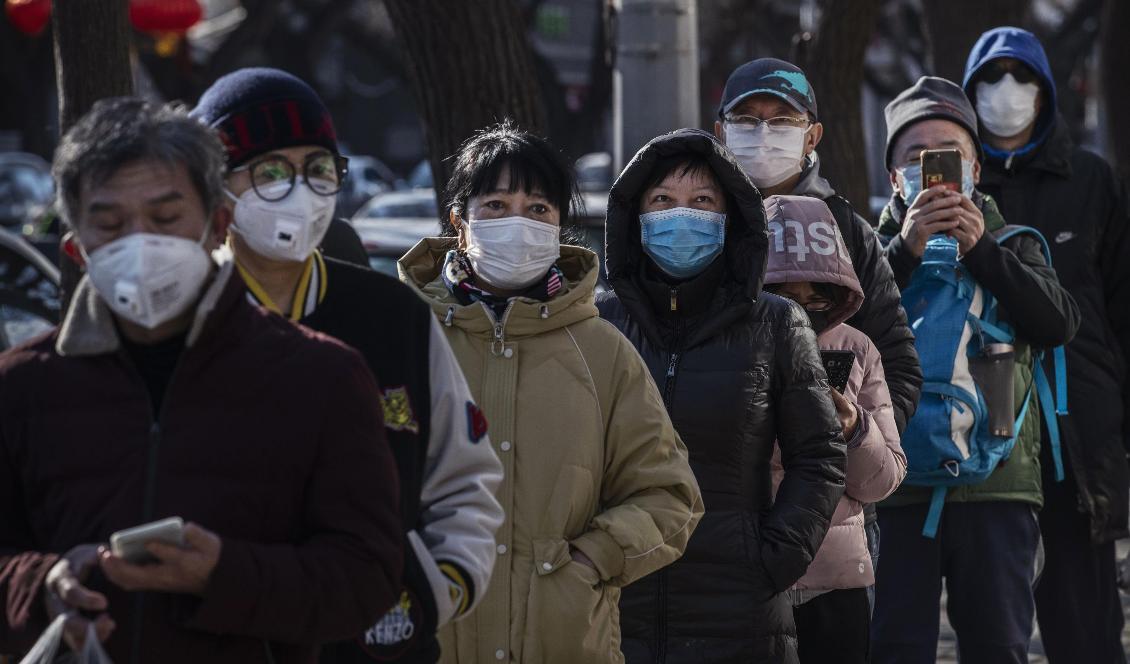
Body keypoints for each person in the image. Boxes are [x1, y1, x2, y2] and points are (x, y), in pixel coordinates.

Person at [0, 98, 403, 663]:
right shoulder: (22, 387)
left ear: (217, 224)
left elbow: (368, 578)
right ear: (76, 247)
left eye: (165, 219)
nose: (140, 244)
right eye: (111, 224)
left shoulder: (320, 378)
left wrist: (224, 574)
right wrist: (41, 586)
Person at [193, 68, 506, 663]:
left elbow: (465, 478)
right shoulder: (185, 322)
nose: (301, 189)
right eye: (271, 171)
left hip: (379, 642)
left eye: (318, 168)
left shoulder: (392, 317)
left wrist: (441, 585)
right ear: (217, 186)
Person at [398, 122, 703, 664]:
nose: (518, 223)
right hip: (426, 636)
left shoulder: (601, 351)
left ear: (561, 225)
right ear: (458, 223)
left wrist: (589, 562)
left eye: (538, 209)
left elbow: (669, 496)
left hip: (563, 642)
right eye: (495, 205)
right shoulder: (402, 338)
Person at [599, 128, 847, 663]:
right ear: (635, 217)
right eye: (662, 201)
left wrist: (772, 558)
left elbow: (820, 455)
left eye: (702, 201)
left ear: (730, 216)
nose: (680, 215)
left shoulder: (777, 324)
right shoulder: (598, 325)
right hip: (620, 602)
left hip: (741, 615)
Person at [871, 76, 1080, 664]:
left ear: (975, 170)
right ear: (894, 178)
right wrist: (905, 249)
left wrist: (982, 250)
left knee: (998, 645)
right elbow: (847, 324)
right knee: (894, 646)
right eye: (915, 156)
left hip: (999, 484)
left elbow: (1059, 323)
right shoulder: (871, 247)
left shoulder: (1012, 243)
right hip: (895, 485)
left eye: (948, 154)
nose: (930, 168)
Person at [962, 27, 1130, 664]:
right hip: (983, 423)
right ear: (970, 91)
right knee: (992, 622)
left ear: (1046, 91)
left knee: (1084, 621)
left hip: (1077, 431)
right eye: (991, 78)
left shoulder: (1090, 180)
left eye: (1022, 77)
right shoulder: (953, 185)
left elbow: (1121, 305)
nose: (1007, 92)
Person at [715, 58, 921, 434]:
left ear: (812, 136)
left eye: (783, 120)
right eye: (746, 119)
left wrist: (857, 439)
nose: (763, 133)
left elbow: (897, 360)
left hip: (821, 476)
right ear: (721, 131)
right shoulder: (703, 221)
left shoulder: (844, 229)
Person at [762, 194, 906, 664]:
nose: (801, 312)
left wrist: (852, 428)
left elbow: (883, 481)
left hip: (836, 577)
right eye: (783, 294)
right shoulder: (732, 343)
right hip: (752, 572)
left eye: (817, 295)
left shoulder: (857, 349)